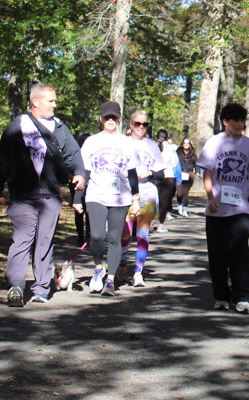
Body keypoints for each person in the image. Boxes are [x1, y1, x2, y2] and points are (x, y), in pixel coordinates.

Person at [0, 82, 86, 307]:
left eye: (55, 101)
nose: (54, 105)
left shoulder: (60, 128)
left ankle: (42, 288)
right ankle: (16, 286)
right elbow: (3, 160)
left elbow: (74, 155)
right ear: (35, 102)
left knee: (45, 241)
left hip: (50, 195)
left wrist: (79, 174)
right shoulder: (17, 127)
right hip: (22, 195)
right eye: (50, 101)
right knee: (22, 240)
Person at [197, 103, 249, 313]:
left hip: (240, 209)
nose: (239, 124)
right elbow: (207, 173)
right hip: (217, 210)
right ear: (225, 122)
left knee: (240, 253)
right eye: (235, 120)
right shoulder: (214, 142)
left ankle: (242, 296)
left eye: (242, 120)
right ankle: (221, 296)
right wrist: (210, 197)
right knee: (217, 255)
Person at [75, 101, 142, 297]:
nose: (110, 120)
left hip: (120, 197)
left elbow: (132, 173)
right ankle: (98, 267)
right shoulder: (91, 142)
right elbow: (84, 172)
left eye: (114, 117)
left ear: (119, 119)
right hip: (95, 194)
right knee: (96, 236)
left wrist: (135, 198)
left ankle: (110, 280)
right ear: (101, 119)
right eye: (107, 117)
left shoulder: (127, 142)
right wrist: (78, 198)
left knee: (114, 238)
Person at [123, 111, 167, 282]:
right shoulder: (123, 142)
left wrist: (149, 172)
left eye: (145, 124)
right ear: (131, 125)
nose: (141, 127)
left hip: (147, 192)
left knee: (143, 234)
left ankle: (138, 272)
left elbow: (161, 174)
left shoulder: (152, 145)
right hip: (126, 193)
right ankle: (122, 263)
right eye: (137, 123)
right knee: (125, 233)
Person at [155, 128, 179, 229]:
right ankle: (161, 224)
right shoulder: (170, 148)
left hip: (155, 176)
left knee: (154, 200)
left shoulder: (152, 146)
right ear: (167, 137)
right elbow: (175, 162)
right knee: (165, 201)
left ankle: (151, 220)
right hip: (168, 175)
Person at [175, 138, 197, 217]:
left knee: (185, 192)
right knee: (179, 193)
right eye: (184, 143)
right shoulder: (177, 152)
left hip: (189, 174)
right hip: (179, 174)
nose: (186, 145)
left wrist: (197, 172)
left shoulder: (193, 154)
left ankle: (185, 209)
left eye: (188, 143)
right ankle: (180, 204)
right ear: (182, 144)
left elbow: (197, 163)